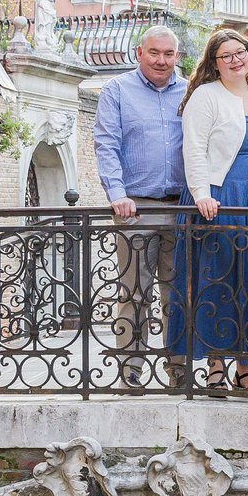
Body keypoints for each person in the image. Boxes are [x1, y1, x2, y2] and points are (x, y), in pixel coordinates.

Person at [168, 29, 248, 390]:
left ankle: (246, 368)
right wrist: (201, 193)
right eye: (226, 55)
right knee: (218, 282)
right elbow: (194, 148)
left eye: (239, 52)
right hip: (218, 198)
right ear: (214, 63)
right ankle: (215, 365)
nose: (235, 60)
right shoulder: (206, 95)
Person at [91, 26, 187, 387]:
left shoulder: (190, 91)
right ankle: (129, 372)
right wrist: (117, 193)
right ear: (139, 53)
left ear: (176, 56)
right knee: (134, 294)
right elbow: (106, 144)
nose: (161, 60)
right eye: (154, 53)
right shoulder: (117, 90)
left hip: (181, 208)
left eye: (168, 54)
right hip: (134, 207)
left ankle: (179, 373)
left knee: (178, 295)